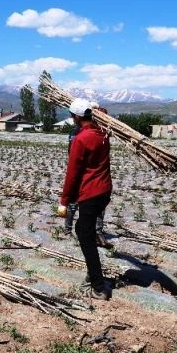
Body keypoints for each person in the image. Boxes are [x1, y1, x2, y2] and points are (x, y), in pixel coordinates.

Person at [58, 98, 113, 300]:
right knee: (83, 230)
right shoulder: (102, 133)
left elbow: (72, 174)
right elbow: (104, 116)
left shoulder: (81, 139)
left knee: (84, 236)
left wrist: (64, 201)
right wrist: (98, 110)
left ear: (76, 117)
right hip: (104, 190)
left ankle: (98, 286)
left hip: (91, 192)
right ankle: (93, 273)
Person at [64, 102, 110, 248]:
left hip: (91, 175)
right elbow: (72, 154)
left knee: (96, 209)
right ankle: (68, 230)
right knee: (73, 204)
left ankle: (97, 233)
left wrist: (96, 110)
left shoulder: (99, 132)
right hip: (80, 172)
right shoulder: (76, 134)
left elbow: (103, 116)